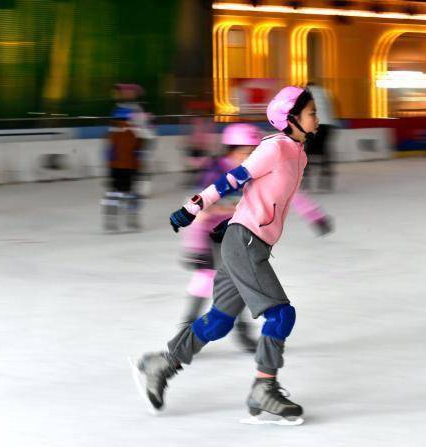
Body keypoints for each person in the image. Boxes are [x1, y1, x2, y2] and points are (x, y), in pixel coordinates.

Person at [132, 86, 319, 425]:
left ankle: (162, 363)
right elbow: (233, 178)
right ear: (290, 118)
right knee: (281, 316)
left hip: (250, 243)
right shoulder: (274, 147)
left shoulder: (298, 154)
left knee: (219, 321)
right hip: (244, 241)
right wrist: (193, 207)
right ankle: (264, 388)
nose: (316, 118)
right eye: (311, 112)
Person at [180, 123, 334, 353]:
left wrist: (314, 214)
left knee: (241, 282)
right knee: (205, 278)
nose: (252, 157)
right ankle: (186, 328)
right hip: (210, 236)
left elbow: (290, 192)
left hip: (239, 233)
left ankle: (241, 329)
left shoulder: (259, 171)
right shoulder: (215, 174)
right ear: (230, 150)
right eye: (246, 151)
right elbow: (198, 212)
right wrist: (196, 248)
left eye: (255, 152)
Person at [101, 107, 143, 231]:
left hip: (115, 169)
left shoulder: (111, 134)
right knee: (131, 194)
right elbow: (138, 152)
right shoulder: (134, 133)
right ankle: (132, 221)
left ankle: (110, 221)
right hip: (130, 168)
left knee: (113, 194)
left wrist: (109, 167)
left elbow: (109, 153)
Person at [305, 82, 338, 191]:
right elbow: (330, 109)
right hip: (327, 125)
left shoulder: (305, 92)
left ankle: (306, 177)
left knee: (307, 151)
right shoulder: (325, 92)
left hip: (314, 124)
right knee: (324, 151)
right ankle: (325, 175)